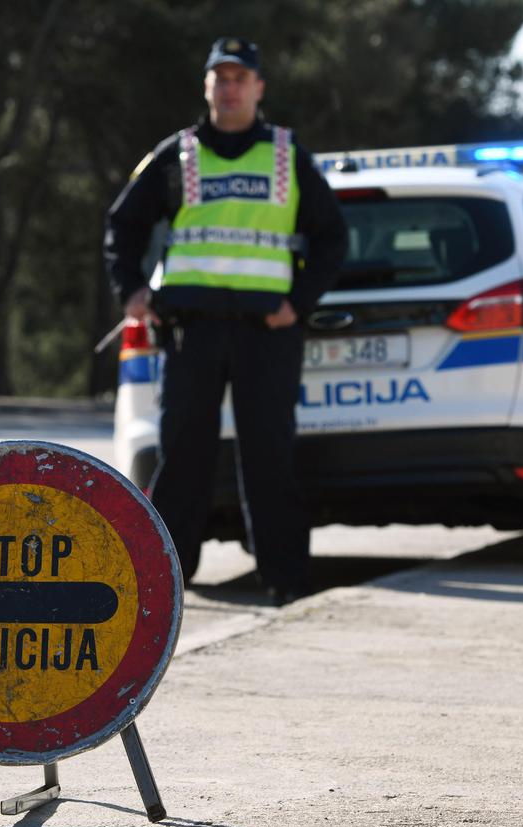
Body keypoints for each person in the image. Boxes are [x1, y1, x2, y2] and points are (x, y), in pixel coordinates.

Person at [104, 37, 347, 605]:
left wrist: (299, 302)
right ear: (207, 86)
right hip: (192, 331)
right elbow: (123, 226)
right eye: (222, 77)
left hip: (268, 331)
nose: (231, 87)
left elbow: (333, 236)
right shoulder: (177, 154)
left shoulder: (288, 155)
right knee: (182, 456)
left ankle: (286, 583)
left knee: (270, 456)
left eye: (241, 77)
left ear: (259, 87)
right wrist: (132, 291)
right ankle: (163, 585)